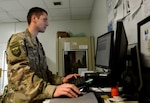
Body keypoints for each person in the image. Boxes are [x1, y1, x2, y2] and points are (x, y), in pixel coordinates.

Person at [0, 7, 81, 103]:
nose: (47, 24)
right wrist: (51, 90)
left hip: (36, 98)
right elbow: (20, 75)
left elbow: (45, 73)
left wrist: (62, 80)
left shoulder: (38, 45)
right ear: (34, 18)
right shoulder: (18, 39)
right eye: (45, 19)